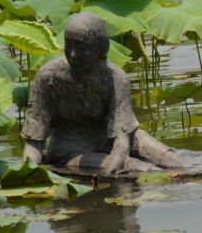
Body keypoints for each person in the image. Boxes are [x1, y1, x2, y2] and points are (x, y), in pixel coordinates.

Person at [21, 12, 189, 174]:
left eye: (81, 47)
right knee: (137, 167)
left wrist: (115, 163)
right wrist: (30, 173)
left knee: (169, 159)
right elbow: (34, 140)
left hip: (108, 139)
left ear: (98, 48)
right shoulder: (48, 77)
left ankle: (201, 173)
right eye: (69, 45)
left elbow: (122, 139)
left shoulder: (115, 77)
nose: (73, 54)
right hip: (69, 150)